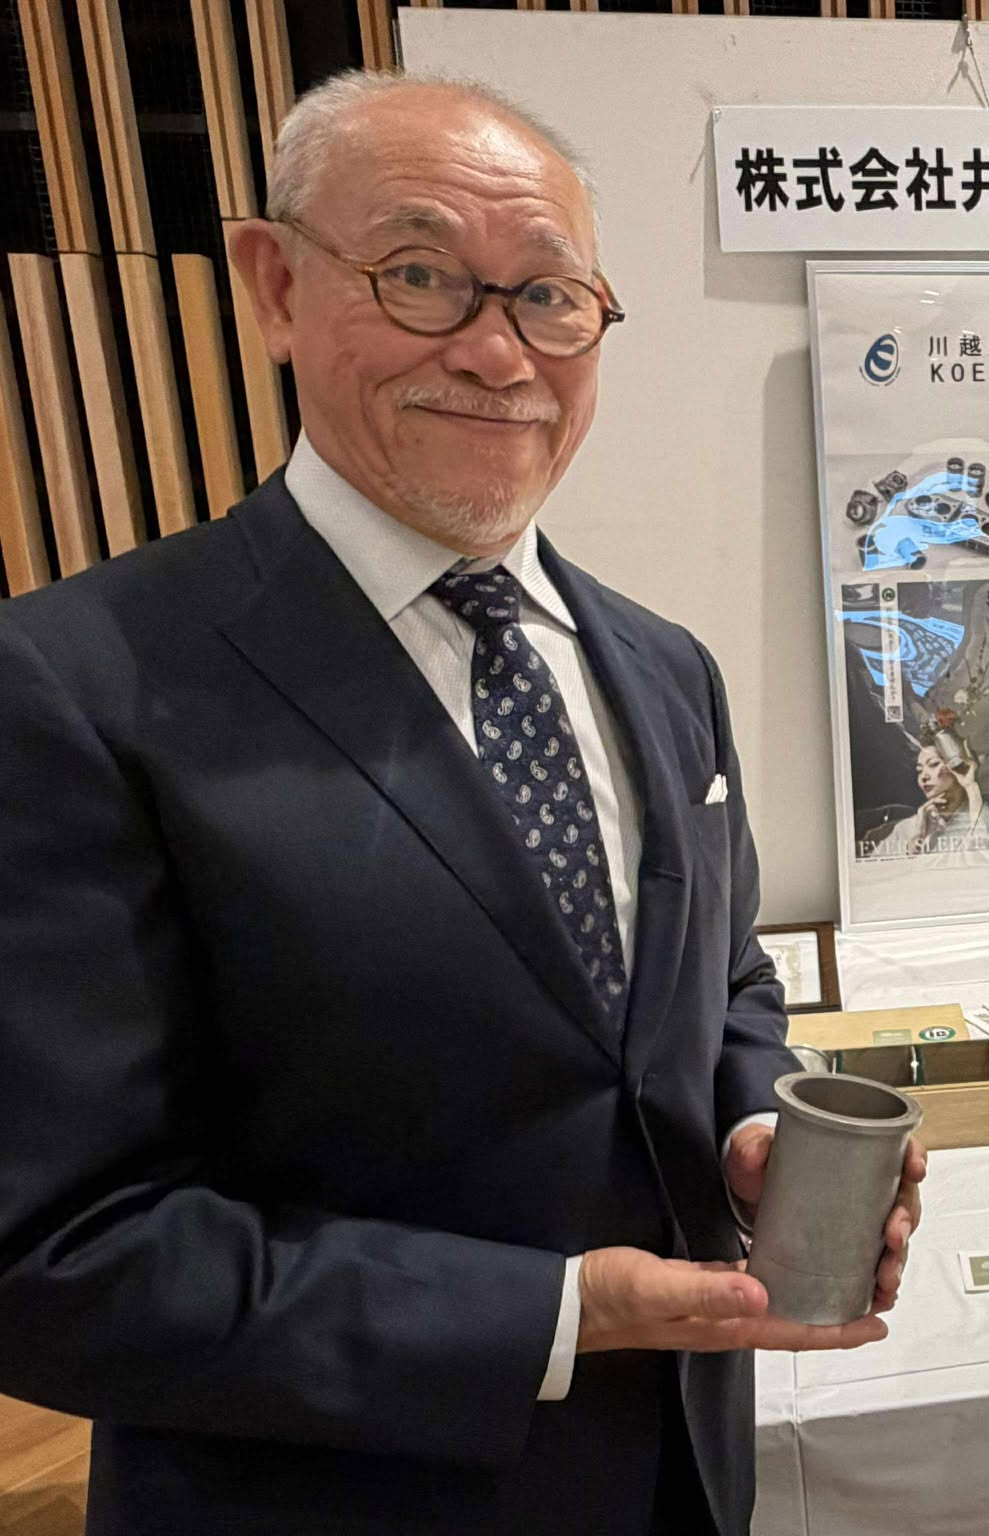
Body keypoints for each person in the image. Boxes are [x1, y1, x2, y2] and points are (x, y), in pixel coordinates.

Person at [0, 72, 920, 1536]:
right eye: (420, 276)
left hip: (681, 1478)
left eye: (549, 298)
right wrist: (553, 1317)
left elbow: (726, 978)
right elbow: (52, 1256)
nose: (497, 353)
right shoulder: (73, 684)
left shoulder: (662, 666)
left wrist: (761, 1128)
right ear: (274, 285)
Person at [867, 737, 989, 857]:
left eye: (933, 764)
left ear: (958, 767)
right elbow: (871, 874)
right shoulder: (907, 828)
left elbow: (987, 861)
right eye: (919, 770)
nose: (923, 777)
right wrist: (913, 843)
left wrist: (971, 787)